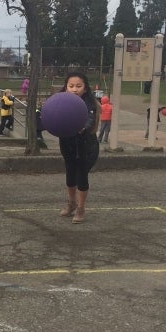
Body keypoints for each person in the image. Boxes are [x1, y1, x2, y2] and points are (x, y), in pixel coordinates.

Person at [58, 71, 99, 224]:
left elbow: (90, 119)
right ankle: (72, 202)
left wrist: (83, 128)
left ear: (85, 88)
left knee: (81, 175)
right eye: (71, 86)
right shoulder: (60, 101)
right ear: (66, 87)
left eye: (78, 86)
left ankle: (81, 208)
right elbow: (53, 116)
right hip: (67, 143)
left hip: (86, 145)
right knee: (70, 175)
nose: (74, 89)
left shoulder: (90, 103)